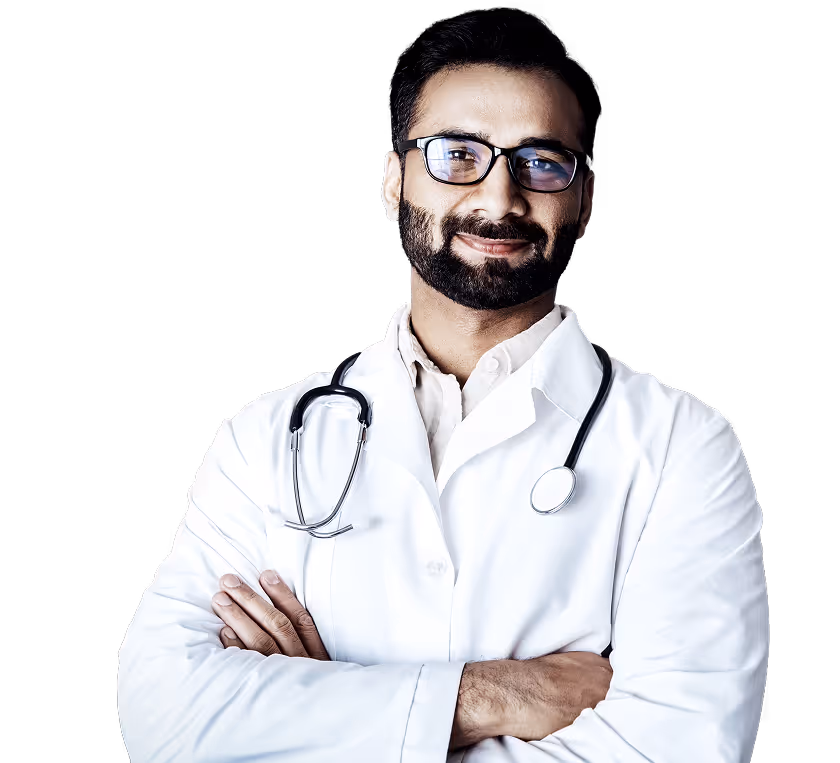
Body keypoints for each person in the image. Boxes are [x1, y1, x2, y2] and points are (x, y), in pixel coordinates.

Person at [118, 15, 769, 762]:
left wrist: (310, 709)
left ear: (585, 202)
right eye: (456, 154)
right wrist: (486, 693)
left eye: (543, 161)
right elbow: (163, 716)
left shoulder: (684, 446)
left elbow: (682, 748)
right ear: (394, 182)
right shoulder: (266, 435)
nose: (499, 195)